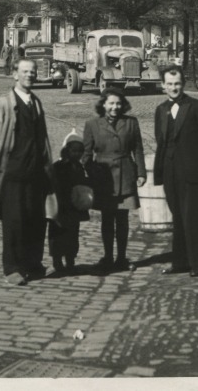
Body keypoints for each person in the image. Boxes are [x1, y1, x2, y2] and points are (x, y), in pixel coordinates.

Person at [0, 58, 58, 286]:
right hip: (13, 175)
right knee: (14, 222)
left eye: (33, 72)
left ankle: (33, 265)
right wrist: (8, 161)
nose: (30, 75)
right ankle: (12, 268)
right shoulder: (3, 104)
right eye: (25, 71)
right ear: (15, 75)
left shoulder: (36, 102)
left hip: (36, 173)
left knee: (37, 220)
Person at [154, 65, 198, 278]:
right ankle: (180, 262)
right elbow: (161, 140)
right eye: (169, 84)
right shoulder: (161, 109)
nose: (174, 88)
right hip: (169, 171)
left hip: (191, 171)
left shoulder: (197, 107)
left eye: (177, 84)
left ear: (183, 84)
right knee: (178, 217)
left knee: (193, 216)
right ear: (163, 86)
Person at [82, 87, 146, 272]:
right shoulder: (92, 124)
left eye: (118, 103)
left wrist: (141, 173)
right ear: (103, 104)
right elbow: (86, 153)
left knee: (123, 219)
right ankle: (108, 257)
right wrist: (88, 174)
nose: (115, 107)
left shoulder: (131, 123)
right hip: (104, 178)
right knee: (107, 219)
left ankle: (121, 258)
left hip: (125, 175)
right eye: (111, 103)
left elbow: (138, 150)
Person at [50, 130, 91, 272]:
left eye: (80, 151)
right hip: (61, 207)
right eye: (74, 151)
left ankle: (70, 259)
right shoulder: (58, 167)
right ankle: (57, 260)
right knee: (58, 234)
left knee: (73, 234)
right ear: (67, 151)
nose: (77, 154)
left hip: (74, 208)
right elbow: (55, 187)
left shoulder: (79, 167)